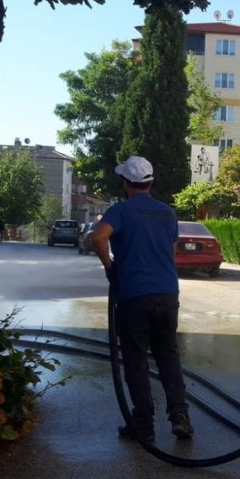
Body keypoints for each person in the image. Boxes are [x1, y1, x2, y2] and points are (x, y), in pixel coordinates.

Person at [91, 155, 193, 445]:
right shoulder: (167, 213)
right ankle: (180, 417)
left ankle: (144, 426)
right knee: (168, 356)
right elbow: (170, 250)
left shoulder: (121, 211)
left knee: (135, 361)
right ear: (150, 182)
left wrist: (110, 266)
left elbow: (98, 238)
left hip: (134, 294)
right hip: (166, 293)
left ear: (126, 183)